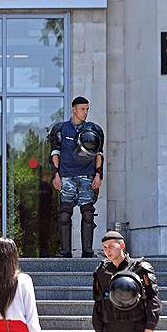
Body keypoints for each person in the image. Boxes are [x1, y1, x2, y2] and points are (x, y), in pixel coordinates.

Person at [47, 96, 104, 258]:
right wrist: (56, 175)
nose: (85, 112)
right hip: (66, 176)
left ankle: (88, 251)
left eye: (87, 109)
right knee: (64, 214)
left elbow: (99, 154)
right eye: (82, 109)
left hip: (86, 176)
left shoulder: (94, 130)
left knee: (88, 213)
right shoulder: (61, 129)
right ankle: (65, 251)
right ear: (73, 109)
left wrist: (98, 175)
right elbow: (54, 154)